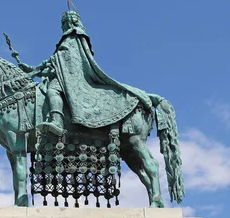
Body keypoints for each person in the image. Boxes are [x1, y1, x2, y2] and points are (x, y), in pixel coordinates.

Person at [19, 9, 151, 136]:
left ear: (70, 22)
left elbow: (64, 56)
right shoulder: (75, 36)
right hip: (68, 74)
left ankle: (57, 121)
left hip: (74, 77)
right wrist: (33, 70)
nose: (62, 26)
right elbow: (59, 63)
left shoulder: (72, 35)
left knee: (52, 90)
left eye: (64, 23)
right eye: (62, 24)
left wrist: (39, 67)